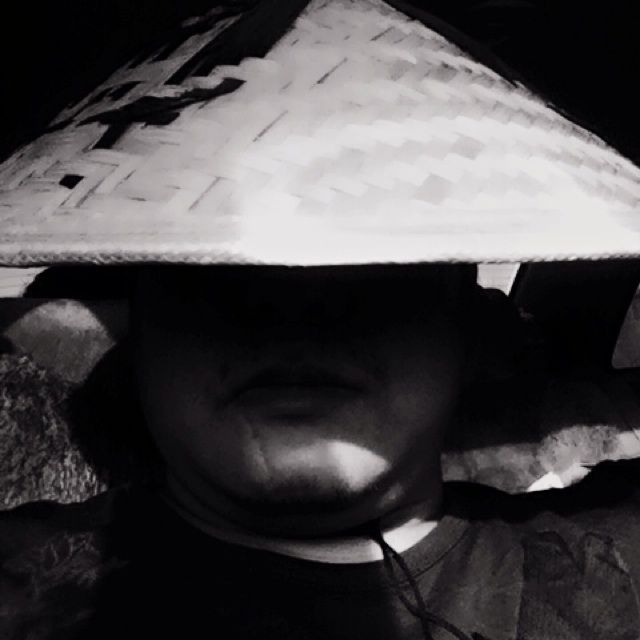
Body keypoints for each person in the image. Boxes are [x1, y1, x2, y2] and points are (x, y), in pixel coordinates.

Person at [1, 0, 640, 639]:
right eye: (221, 274)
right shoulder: (19, 585)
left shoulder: (611, 575)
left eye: (372, 268)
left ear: (465, 324)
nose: (295, 319)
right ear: (139, 326)